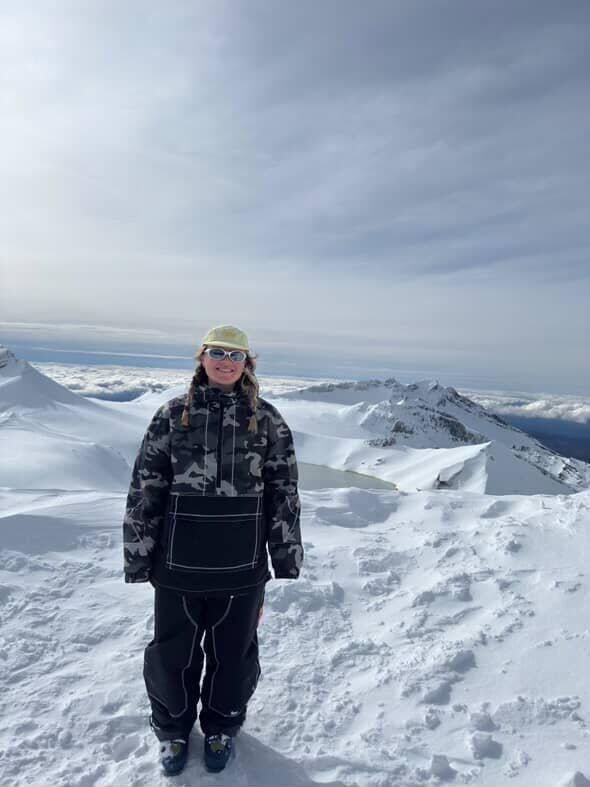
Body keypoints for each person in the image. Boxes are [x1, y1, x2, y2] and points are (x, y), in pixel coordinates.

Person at [122, 324, 303, 775]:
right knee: (173, 654)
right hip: (177, 564)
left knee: (234, 654)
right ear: (202, 357)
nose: (226, 362)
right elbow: (146, 486)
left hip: (243, 566)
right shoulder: (172, 415)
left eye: (236, 355)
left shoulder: (267, 419)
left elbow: (283, 491)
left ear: (247, 364)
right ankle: (173, 730)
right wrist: (139, 554)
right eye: (218, 353)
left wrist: (285, 556)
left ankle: (222, 726)